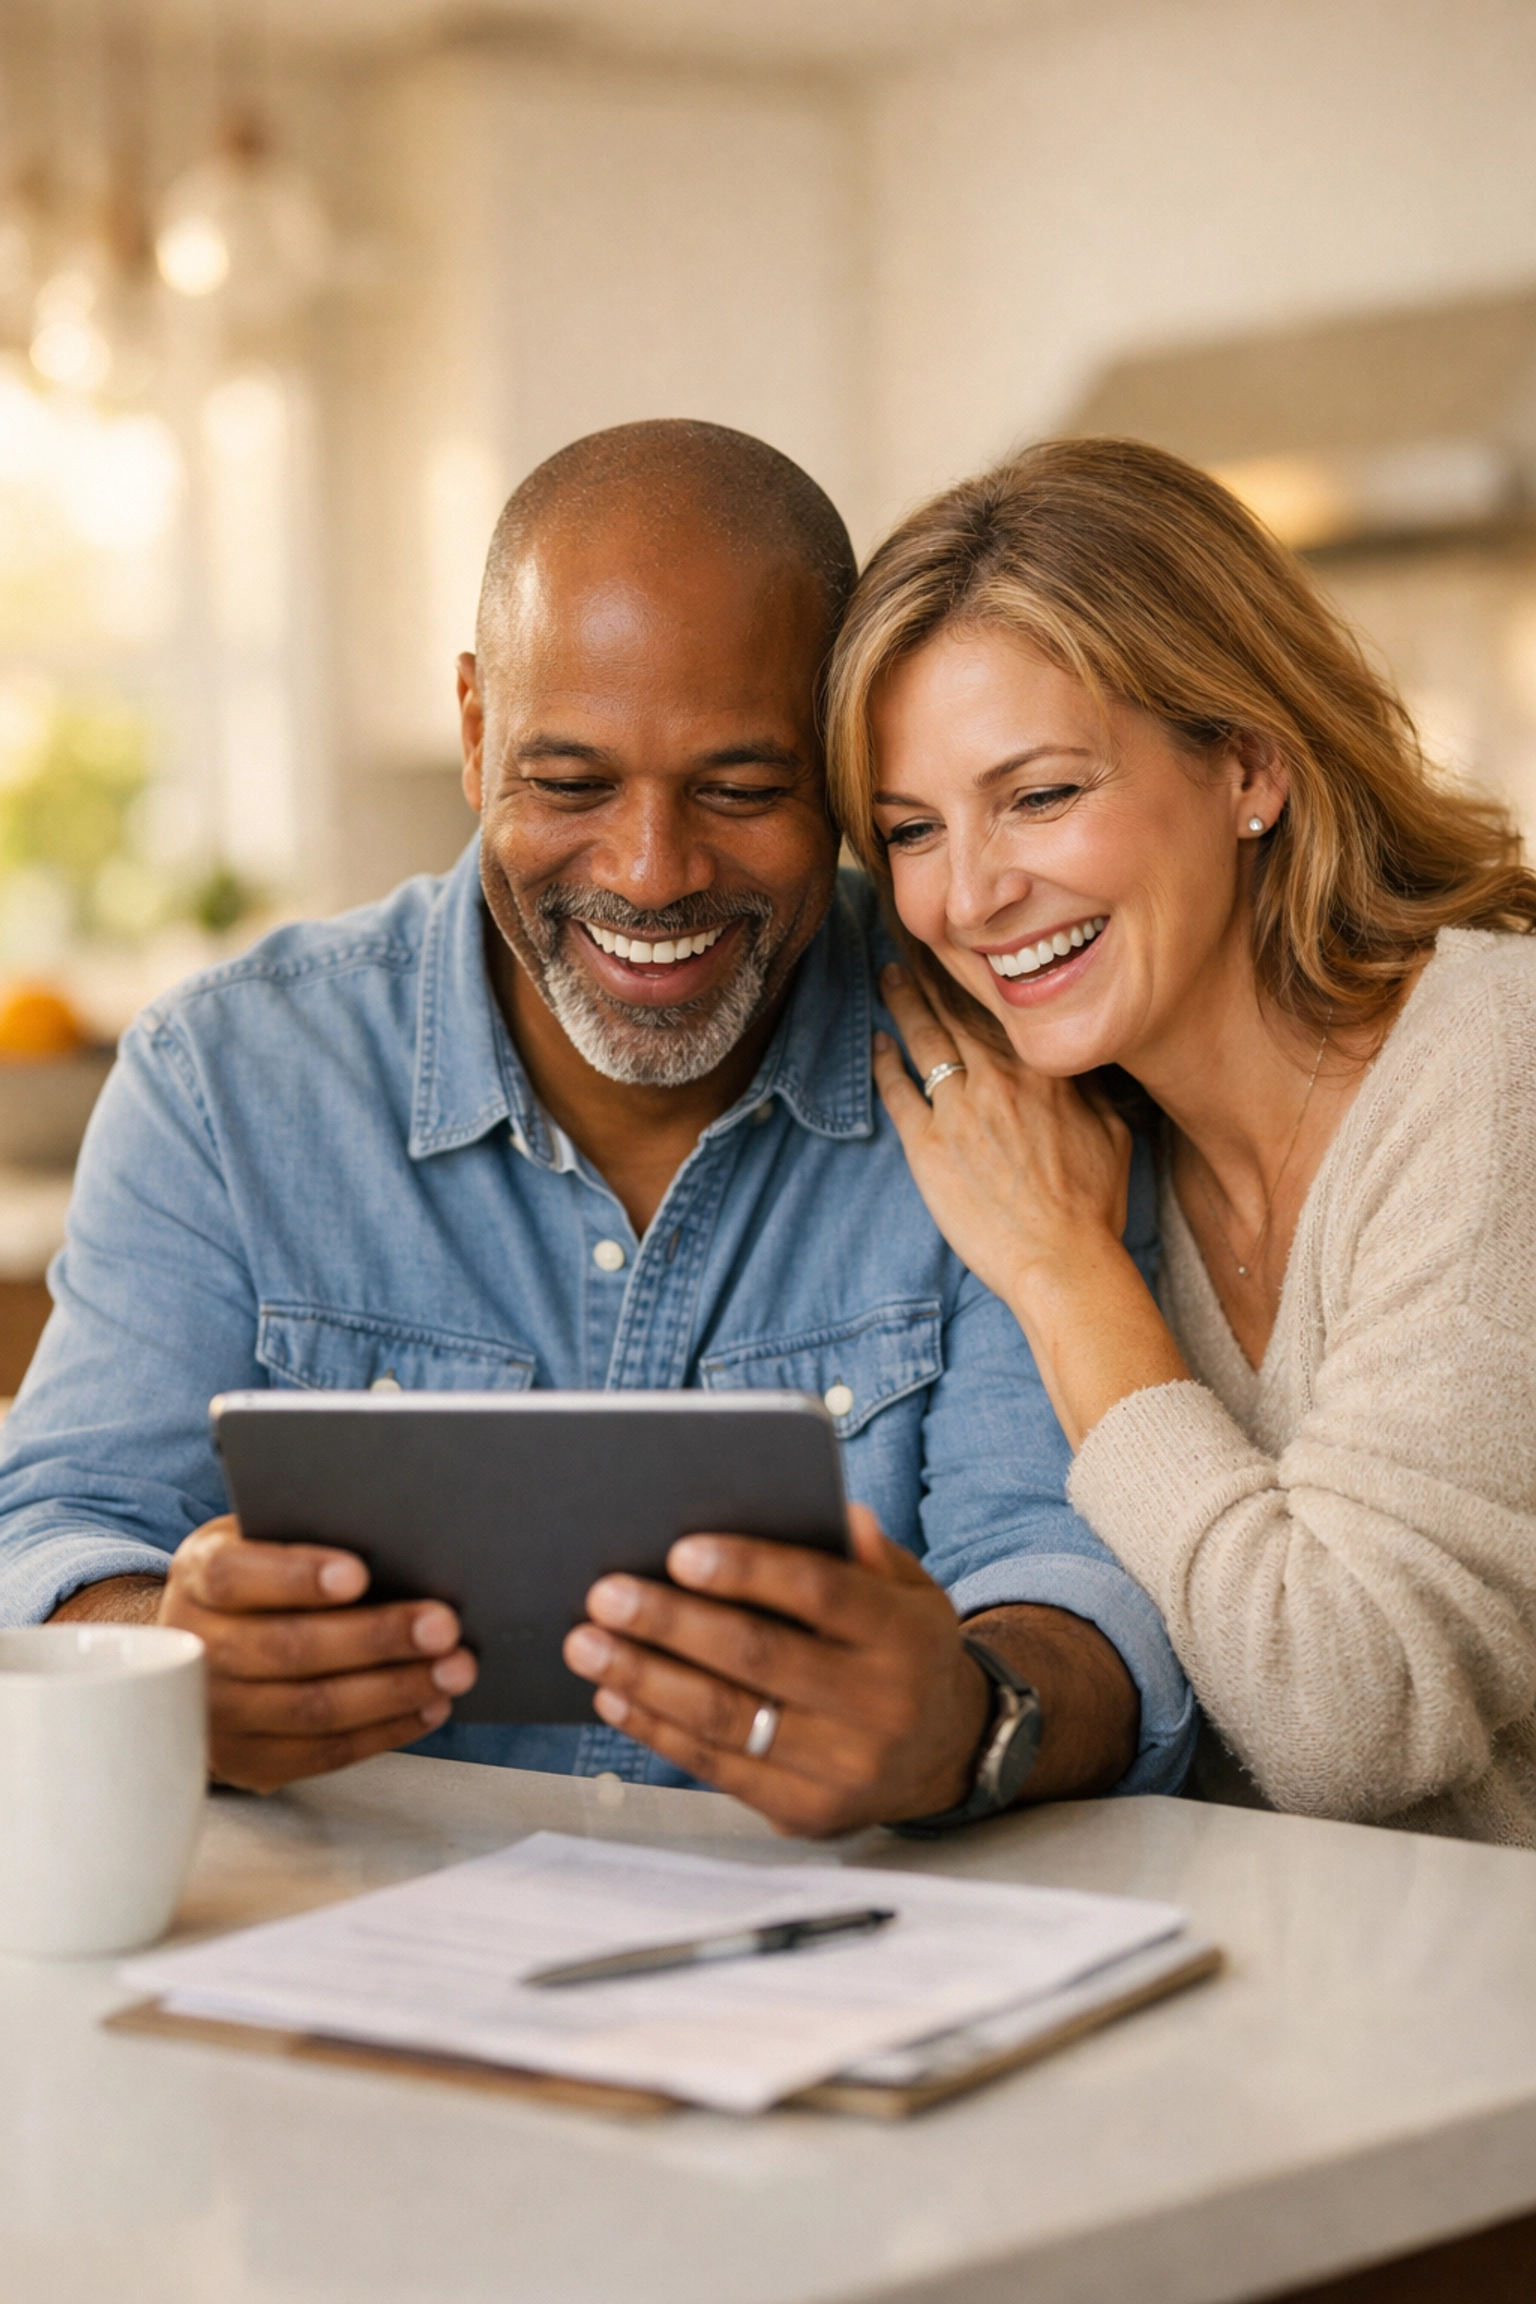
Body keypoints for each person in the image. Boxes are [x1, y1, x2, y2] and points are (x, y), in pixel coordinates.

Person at [0, 420, 1193, 1836]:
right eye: (568, 785)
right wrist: (168, 1652)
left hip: (841, 1962)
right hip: (341, 1957)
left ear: (843, 768)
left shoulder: (1002, 1065)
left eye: (742, 790)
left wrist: (972, 1717)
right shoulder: (228, 1079)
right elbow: (51, 1528)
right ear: (472, 732)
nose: (650, 873)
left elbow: (1074, 1584)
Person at [826, 434, 1536, 1846]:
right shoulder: (1095, 1130)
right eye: (911, 829)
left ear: (1248, 768)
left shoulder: (1492, 1073)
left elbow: (1350, 1719)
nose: (971, 894)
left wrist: (1065, 1277)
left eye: (1040, 795)